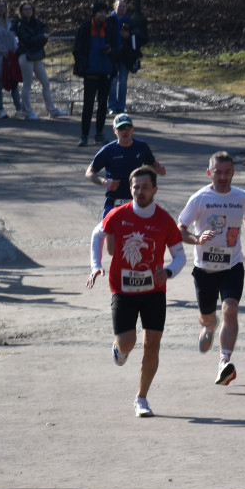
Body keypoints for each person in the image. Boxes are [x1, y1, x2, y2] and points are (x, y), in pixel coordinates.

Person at [85, 166, 186, 418]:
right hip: (123, 289)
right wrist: (96, 266)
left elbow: (180, 256)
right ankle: (120, 349)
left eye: (145, 187)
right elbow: (98, 235)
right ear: (130, 189)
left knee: (152, 345)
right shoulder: (119, 215)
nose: (140, 191)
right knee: (128, 342)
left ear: (155, 189)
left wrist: (169, 271)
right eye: (135, 187)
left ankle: (142, 398)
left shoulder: (164, 220)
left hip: (154, 291)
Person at [177, 151, 245, 386]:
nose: (223, 177)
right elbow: (181, 228)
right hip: (204, 269)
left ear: (233, 172)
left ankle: (224, 363)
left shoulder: (242, 196)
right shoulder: (200, 198)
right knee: (208, 317)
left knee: (231, 310)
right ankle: (208, 327)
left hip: (232, 266)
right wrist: (196, 239)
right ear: (209, 173)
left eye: (227, 172)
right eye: (218, 172)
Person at [85, 113, 165, 218]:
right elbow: (89, 172)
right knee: (108, 231)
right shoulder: (108, 150)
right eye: (121, 128)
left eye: (127, 127)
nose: (124, 131)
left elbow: (152, 164)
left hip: (137, 200)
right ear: (114, 130)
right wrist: (104, 182)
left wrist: (158, 170)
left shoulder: (141, 147)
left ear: (133, 129)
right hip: (114, 201)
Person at [14, 2, 67, 120]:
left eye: (30, 9)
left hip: (37, 55)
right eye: (25, 9)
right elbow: (27, 40)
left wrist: (44, 38)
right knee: (27, 84)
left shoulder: (38, 23)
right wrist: (42, 37)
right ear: (21, 12)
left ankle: (52, 110)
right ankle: (27, 112)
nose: (28, 11)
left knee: (46, 82)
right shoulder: (20, 25)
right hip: (26, 55)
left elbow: (41, 41)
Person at [73, 1, 114, 147]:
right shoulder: (85, 27)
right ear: (94, 13)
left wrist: (110, 51)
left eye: (105, 12)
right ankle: (84, 135)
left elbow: (115, 45)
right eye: (100, 12)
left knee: (103, 104)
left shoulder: (109, 27)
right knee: (88, 104)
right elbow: (77, 49)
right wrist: (83, 65)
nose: (103, 15)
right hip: (90, 71)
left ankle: (99, 133)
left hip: (106, 71)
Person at [0, 0, 22, 119]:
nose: (1, 8)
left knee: (14, 81)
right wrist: (5, 52)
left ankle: (19, 109)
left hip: (11, 55)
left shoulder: (9, 22)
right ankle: (0, 109)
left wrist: (14, 52)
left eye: (3, 6)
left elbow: (13, 38)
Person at [106, 0, 131, 115]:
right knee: (112, 81)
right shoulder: (108, 20)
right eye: (119, 6)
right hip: (111, 54)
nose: (121, 8)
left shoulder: (130, 21)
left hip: (125, 54)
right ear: (114, 7)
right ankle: (112, 106)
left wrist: (128, 37)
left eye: (124, 6)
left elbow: (136, 38)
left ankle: (121, 106)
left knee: (123, 81)